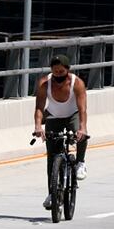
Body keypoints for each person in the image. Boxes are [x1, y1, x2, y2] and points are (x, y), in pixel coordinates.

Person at [32, 54, 89, 210]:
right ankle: (52, 193)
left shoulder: (77, 83)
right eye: (55, 72)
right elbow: (39, 107)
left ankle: (80, 163)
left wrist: (82, 128)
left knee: (81, 134)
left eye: (61, 72)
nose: (58, 75)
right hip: (54, 116)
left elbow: (83, 109)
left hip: (73, 114)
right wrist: (38, 127)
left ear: (67, 70)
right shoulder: (45, 84)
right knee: (52, 156)